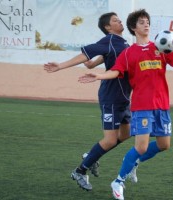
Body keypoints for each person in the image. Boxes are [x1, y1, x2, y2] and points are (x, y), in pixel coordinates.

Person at [78, 9, 173, 200]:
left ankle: (134, 163)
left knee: (164, 145)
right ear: (133, 28)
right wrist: (98, 75)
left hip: (162, 105)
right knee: (140, 146)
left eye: (147, 21)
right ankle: (118, 181)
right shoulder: (128, 53)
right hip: (142, 106)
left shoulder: (161, 47)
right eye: (141, 22)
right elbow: (116, 71)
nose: (146, 24)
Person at [44, 12, 136, 191]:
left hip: (124, 97)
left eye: (119, 19)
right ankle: (80, 170)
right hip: (111, 96)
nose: (119, 21)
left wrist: (94, 64)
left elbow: (101, 58)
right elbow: (85, 55)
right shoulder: (108, 40)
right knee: (109, 140)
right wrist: (60, 66)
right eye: (115, 20)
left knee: (125, 134)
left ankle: (92, 156)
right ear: (108, 27)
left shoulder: (123, 42)